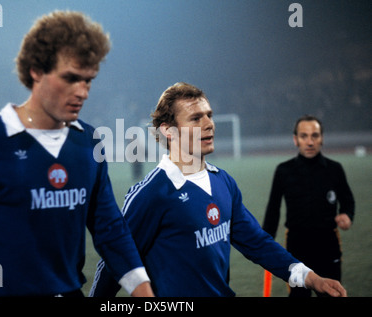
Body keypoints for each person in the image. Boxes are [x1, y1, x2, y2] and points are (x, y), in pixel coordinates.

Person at [0, 11, 153, 297]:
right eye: (70, 78)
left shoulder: (89, 141)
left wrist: (143, 291)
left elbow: (109, 228)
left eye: (88, 80)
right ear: (36, 71)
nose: (83, 92)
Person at [90, 82, 347, 297]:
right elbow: (116, 260)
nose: (209, 123)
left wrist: (311, 278)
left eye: (209, 115)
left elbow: (257, 242)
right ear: (168, 131)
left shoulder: (223, 181)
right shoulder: (152, 194)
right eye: (195, 118)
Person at [262, 115, 354, 297]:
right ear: (295, 140)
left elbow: (348, 200)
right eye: (304, 136)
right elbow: (273, 209)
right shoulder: (283, 171)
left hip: (328, 244)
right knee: (298, 296)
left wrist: (347, 215)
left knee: (331, 293)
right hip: (297, 246)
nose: (310, 142)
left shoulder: (335, 169)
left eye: (315, 136)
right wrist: (265, 241)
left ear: (322, 138)